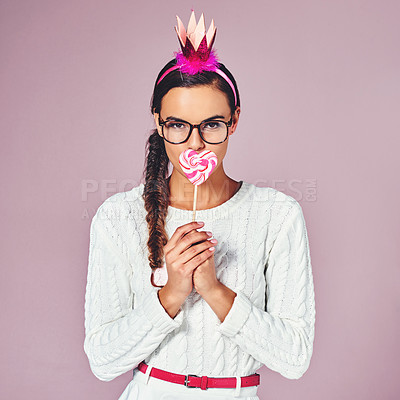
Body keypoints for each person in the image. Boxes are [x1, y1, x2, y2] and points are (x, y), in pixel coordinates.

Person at [83, 11, 316, 400]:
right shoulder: (116, 217)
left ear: (234, 120)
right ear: (159, 124)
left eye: (211, 124)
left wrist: (212, 288)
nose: (195, 144)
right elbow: (104, 362)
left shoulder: (278, 215)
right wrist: (172, 292)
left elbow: (294, 359)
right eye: (178, 125)